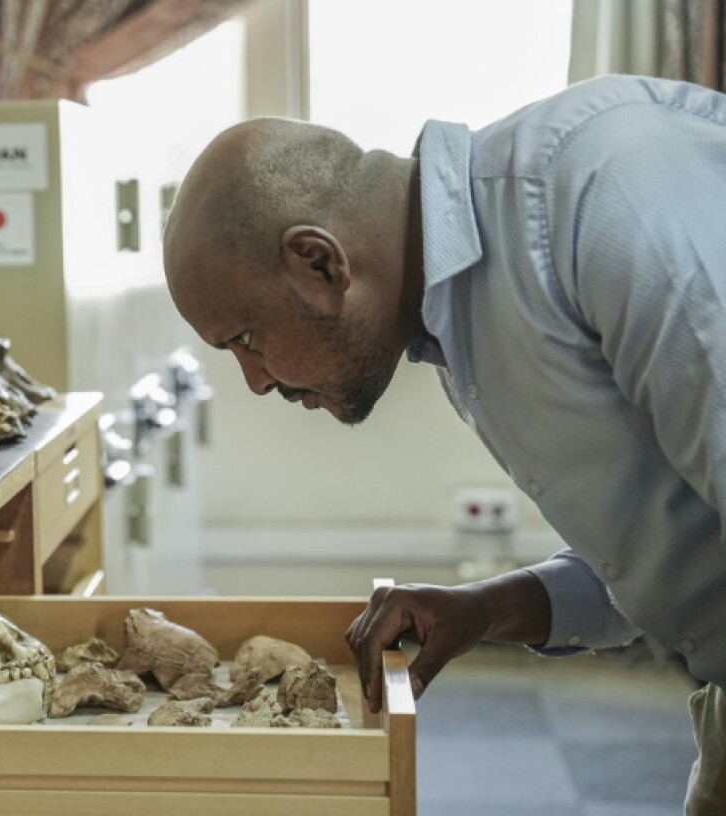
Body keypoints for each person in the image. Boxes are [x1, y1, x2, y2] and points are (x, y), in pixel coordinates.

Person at [162, 73, 726, 814]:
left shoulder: (603, 185)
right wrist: (485, 609)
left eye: (245, 340)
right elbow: (673, 551)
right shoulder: (454, 318)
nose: (257, 383)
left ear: (320, 262)